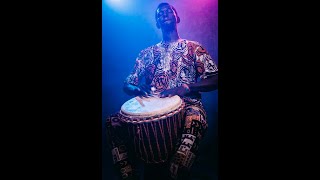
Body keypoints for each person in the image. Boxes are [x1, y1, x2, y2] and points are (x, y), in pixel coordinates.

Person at [105, 2, 218, 180]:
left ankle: (175, 172)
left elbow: (215, 78)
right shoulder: (146, 54)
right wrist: (135, 89)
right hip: (152, 107)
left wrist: (188, 86)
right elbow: (128, 82)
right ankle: (128, 175)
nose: (163, 14)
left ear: (176, 17)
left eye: (168, 11)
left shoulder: (194, 48)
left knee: (195, 118)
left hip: (188, 105)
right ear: (157, 22)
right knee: (112, 122)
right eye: (159, 13)